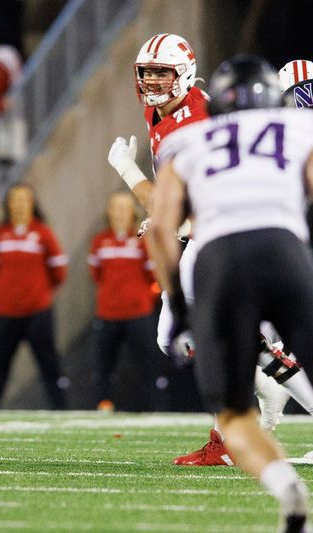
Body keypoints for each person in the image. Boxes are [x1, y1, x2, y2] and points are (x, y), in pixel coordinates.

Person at [107, 33, 300, 465]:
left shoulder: (197, 122)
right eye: (147, 72)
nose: (153, 81)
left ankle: (235, 425)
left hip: (230, 231)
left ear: (186, 76)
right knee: (177, 337)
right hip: (205, 231)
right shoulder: (162, 110)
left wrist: (129, 174)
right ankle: (258, 386)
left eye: (162, 72)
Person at [147, 54, 313, 533]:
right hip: (283, 250)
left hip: (220, 261)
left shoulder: (187, 138)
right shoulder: (297, 130)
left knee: (236, 415)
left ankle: (286, 487)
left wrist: (178, 306)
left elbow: (160, 228)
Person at [0, 184, 68, 410]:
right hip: (6, 313)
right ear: (8, 204)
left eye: (24, 199)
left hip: (38, 312)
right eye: (14, 199)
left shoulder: (43, 233)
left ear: (32, 203)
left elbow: (58, 273)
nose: (19, 204)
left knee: (49, 365)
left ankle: (62, 410)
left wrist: (38, 293)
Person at [88, 192, 160, 411]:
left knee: (146, 363)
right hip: (108, 313)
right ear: (108, 211)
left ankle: (151, 407)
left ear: (132, 213)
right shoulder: (99, 242)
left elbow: (153, 275)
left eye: (123, 208)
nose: (119, 213)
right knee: (104, 363)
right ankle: (104, 403)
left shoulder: (141, 241)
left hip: (139, 313)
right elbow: (95, 273)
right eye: (115, 207)